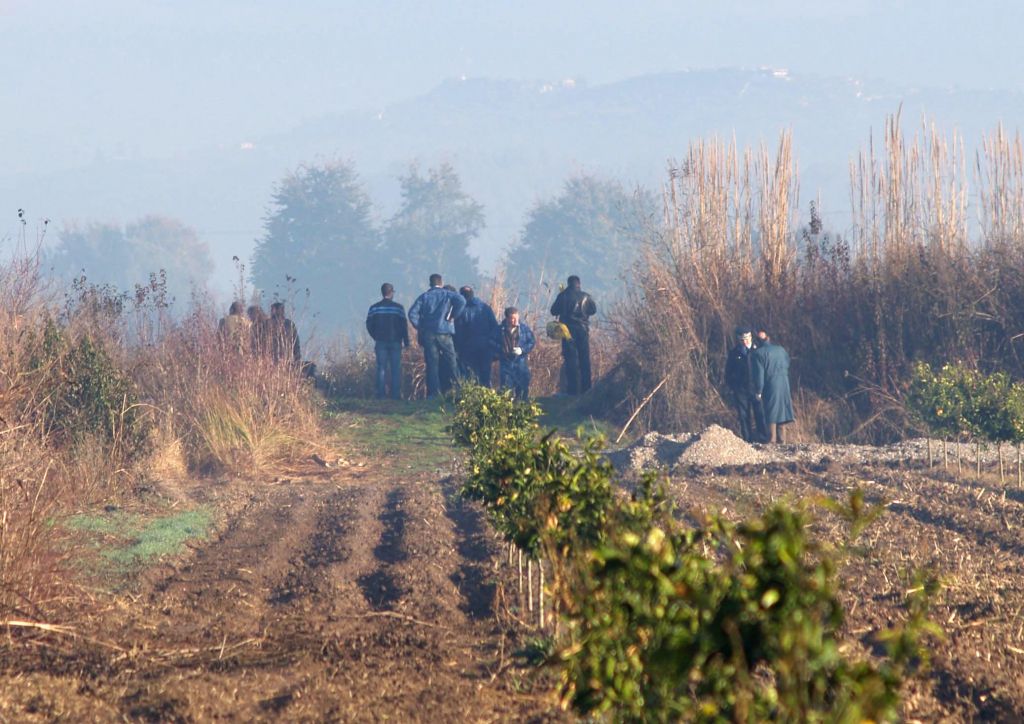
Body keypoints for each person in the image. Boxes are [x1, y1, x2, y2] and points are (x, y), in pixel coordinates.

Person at [408, 273, 466, 398]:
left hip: (429, 334)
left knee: (432, 364)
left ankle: (434, 394)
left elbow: (412, 313)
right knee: (452, 361)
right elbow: (462, 300)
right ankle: (459, 391)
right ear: (441, 282)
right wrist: (453, 316)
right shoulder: (447, 294)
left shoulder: (424, 297)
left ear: (430, 283)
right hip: (444, 332)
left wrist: (421, 326)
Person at [550, 275, 597, 394]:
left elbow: (553, 311)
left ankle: (572, 390)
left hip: (567, 331)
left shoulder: (563, 295)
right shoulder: (586, 296)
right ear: (579, 284)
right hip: (583, 330)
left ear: (568, 283)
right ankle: (586, 389)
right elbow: (593, 310)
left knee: (571, 360)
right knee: (584, 359)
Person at [365, 283, 410, 400]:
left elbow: (369, 324)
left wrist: (375, 336)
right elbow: (404, 326)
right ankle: (395, 395)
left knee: (381, 368)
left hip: (380, 341)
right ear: (391, 292)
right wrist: (406, 342)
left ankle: (381, 395)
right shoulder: (398, 308)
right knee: (395, 368)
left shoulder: (374, 308)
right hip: (395, 341)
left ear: (383, 292)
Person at [724, 326, 767, 443]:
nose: (745, 341)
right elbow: (728, 371)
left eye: (747, 338)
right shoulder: (734, 353)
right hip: (741, 389)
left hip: (756, 388)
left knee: (760, 413)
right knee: (744, 416)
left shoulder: (758, 350)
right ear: (739, 340)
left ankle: (763, 439)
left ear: (751, 337)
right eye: (743, 339)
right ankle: (747, 440)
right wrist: (732, 386)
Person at [752, 329, 795, 443]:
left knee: (771, 410)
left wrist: (758, 391)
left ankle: (771, 440)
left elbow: (759, 376)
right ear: (769, 338)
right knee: (781, 410)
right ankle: (782, 440)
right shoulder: (781, 350)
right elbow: (787, 363)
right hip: (784, 383)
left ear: (757, 342)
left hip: (770, 384)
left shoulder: (758, 354)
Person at [454, 285, 499, 387]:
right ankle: (488, 397)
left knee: (471, 374)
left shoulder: (462, 310)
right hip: (486, 346)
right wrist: (494, 345)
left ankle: (473, 397)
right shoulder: (485, 308)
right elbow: (495, 327)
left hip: (469, 346)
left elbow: (459, 331)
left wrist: (458, 348)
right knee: (485, 373)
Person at [494, 306, 535, 400]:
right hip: (506, 364)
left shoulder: (524, 329)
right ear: (507, 318)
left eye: (517, 318)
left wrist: (522, 349)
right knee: (506, 390)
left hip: (520, 363)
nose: (516, 320)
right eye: (513, 318)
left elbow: (532, 341)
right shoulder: (499, 330)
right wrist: (501, 350)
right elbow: (491, 342)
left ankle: (522, 406)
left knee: (522, 389)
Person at [267, 301, 301, 366]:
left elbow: (295, 343)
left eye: (279, 310)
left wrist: (297, 358)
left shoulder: (289, 324)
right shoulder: (267, 324)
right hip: (270, 361)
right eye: (274, 310)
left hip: (286, 359)